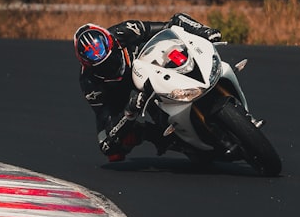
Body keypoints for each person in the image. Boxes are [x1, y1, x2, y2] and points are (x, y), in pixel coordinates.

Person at [74, 13, 223, 162]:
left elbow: (171, 24)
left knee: (179, 33)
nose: (111, 65)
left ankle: (211, 78)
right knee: (109, 148)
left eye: (111, 57)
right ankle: (156, 136)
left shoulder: (124, 31)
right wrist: (129, 112)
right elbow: (105, 118)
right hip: (128, 97)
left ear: (113, 42)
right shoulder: (89, 84)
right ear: (89, 66)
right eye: (103, 67)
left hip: (154, 66)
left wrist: (204, 31)